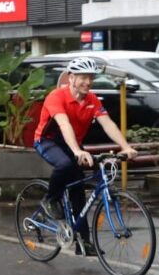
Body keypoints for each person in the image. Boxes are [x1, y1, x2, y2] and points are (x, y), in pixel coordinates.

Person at [34, 56, 138, 256]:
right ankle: (49, 200)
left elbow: (108, 124)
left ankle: (84, 241)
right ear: (71, 77)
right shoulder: (56, 97)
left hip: (73, 143)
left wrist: (126, 147)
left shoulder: (92, 100)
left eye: (90, 77)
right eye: (82, 77)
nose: (88, 82)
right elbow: (64, 125)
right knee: (65, 164)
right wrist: (77, 151)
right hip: (48, 141)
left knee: (78, 190)